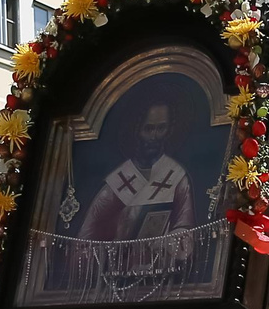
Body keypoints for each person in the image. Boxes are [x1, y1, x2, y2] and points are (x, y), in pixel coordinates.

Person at [78, 99, 198, 240]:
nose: (154, 136)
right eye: (148, 129)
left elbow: (185, 226)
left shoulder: (176, 177)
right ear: (136, 130)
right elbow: (87, 237)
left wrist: (170, 240)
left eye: (161, 128)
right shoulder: (117, 182)